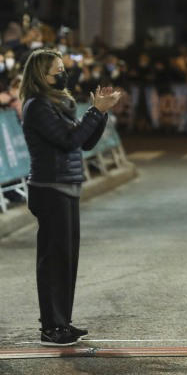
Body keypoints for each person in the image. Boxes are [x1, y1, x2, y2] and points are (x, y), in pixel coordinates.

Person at [20, 49, 121, 346]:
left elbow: (85, 141)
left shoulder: (57, 105)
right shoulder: (37, 106)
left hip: (66, 186)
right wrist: (95, 112)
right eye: (57, 70)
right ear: (41, 75)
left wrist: (99, 113)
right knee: (53, 261)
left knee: (66, 260)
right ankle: (51, 327)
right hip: (50, 188)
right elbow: (68, 140)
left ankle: (62, 322)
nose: (64, 74)